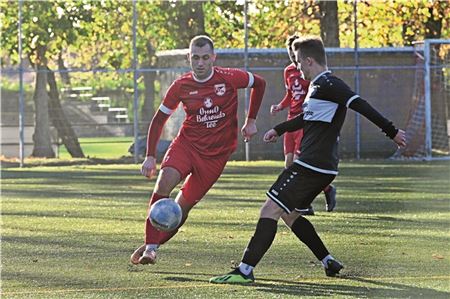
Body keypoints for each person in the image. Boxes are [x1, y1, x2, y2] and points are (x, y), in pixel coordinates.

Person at [210, 36, 406, 284]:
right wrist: (279, 129)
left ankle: (245, 270)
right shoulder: (317, 86)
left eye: (299, 62)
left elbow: (359, 104)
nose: (297, 67)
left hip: (312, 164)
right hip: (320, 166)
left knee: (270, 208)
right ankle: (328, 261)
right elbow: (308, 118)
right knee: (288, 213)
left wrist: (392, 131)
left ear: (309, 61)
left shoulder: (330, 83)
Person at [130, 35, 266, 265]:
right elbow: (159, 119)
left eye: (205, 58)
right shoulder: (181, 85)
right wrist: (150, 157)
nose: (200, 63)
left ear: (214, 57)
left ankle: (151, 244)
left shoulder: (229, 77)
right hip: (187, 146)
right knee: (163, 184)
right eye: (195, 58)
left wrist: (250, 120)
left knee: (181, 209)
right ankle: (151, 250)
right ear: (189, 58)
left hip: (215, 158)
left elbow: (259, 83)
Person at [270, 34, 336, 215]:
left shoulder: (309, 69)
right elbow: (291, 95)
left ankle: (304, 204)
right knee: (288, 163)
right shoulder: (288, 71)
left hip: (306, 120)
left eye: (295, 53)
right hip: (291, 119)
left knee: (300, 162)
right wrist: (280, 106)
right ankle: (328, 189)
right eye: (290, 53)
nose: (293, 57)